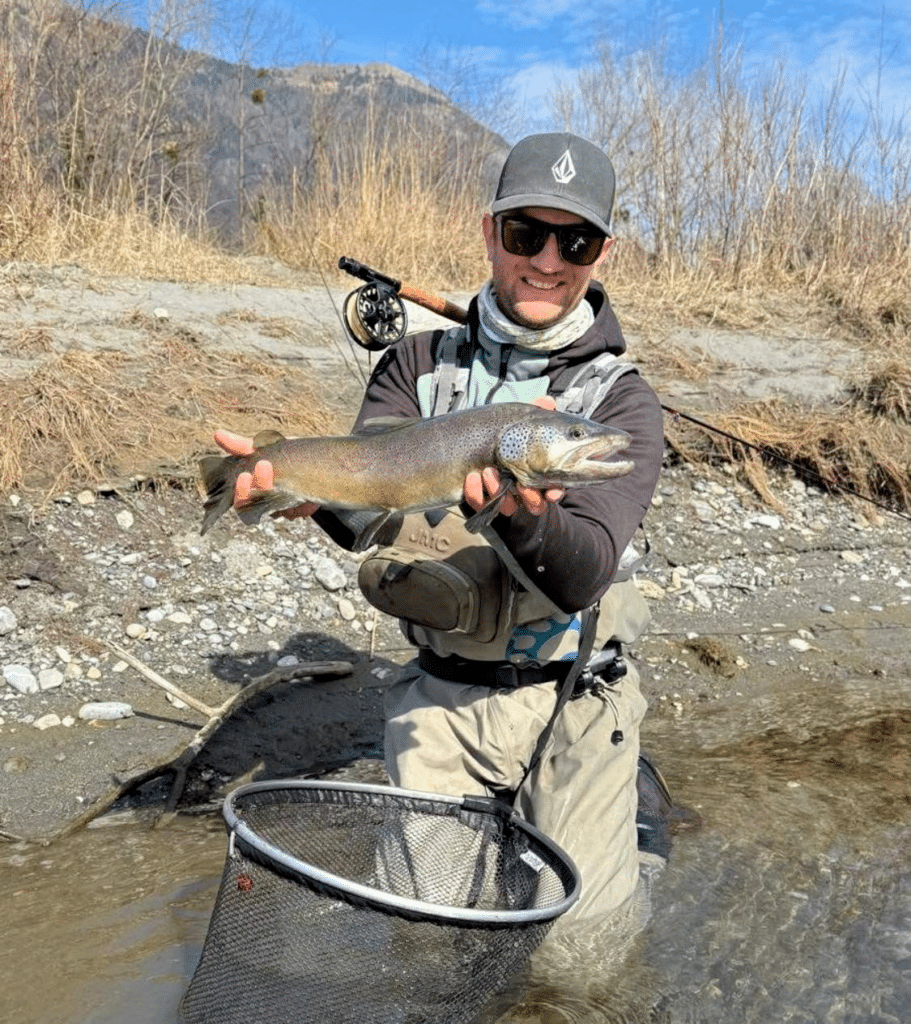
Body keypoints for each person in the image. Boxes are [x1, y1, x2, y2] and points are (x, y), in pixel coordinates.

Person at [215, 133, 667, 929]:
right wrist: (300, 489)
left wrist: (519, 514)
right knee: (422, 945)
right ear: (490, 231)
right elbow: (371, 515)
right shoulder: (413, 364)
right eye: (527, 233)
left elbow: (582, 573)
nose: (549, 260)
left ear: (602, 252)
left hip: (576, 702)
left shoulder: (619, 404)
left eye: (577, 240)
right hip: (439, 702)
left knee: (582, 961)